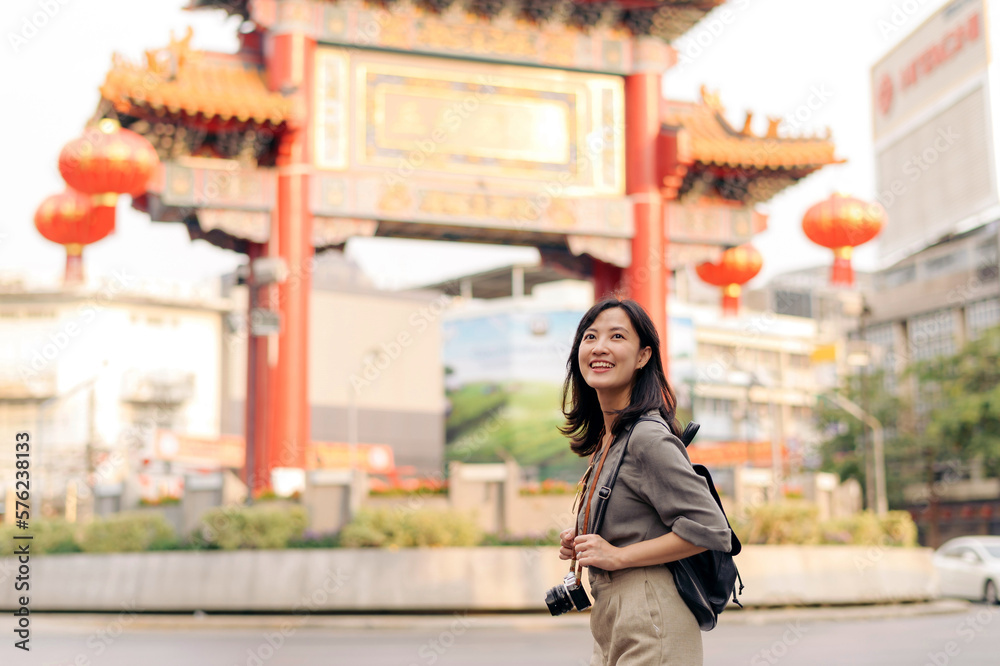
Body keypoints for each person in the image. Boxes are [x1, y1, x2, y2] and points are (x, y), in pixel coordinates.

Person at [558, 297, 732, 666]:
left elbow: (712, 529)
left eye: (617, 336)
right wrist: (588, 539)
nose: (600, 347)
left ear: (643, 356)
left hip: (650, 612)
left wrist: (618, 554)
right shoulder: (611, 440)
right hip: (612, 614)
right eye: (590, 337)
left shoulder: (646, 438)